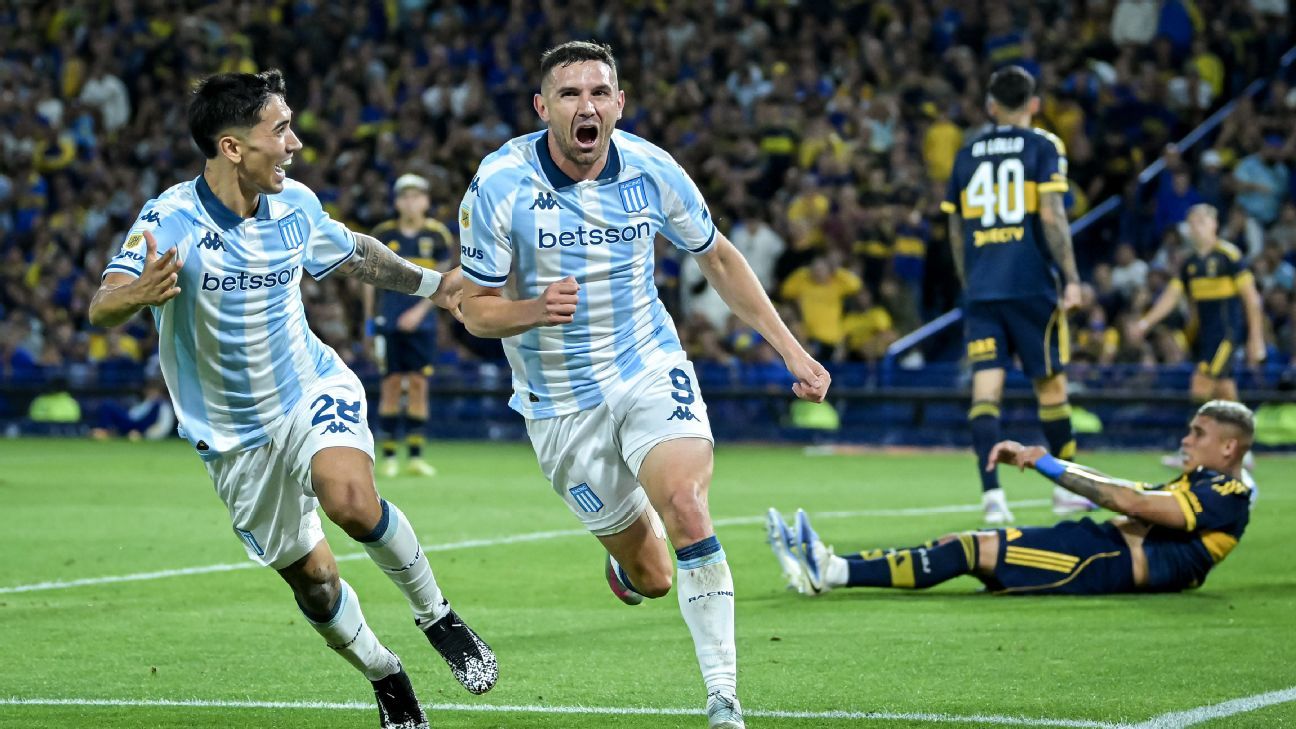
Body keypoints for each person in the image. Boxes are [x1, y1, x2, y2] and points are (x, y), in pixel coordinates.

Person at [87, 70, 495, 729]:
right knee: (317, 583)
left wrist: (433, 285)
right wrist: (136, 294)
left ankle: (438, 616)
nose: (295, 144)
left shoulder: (295, 204)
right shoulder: (170, 219)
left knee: (351, 500)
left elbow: (356, 255)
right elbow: (102, 304)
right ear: (232, 147)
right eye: (280, 130)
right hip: (231, 436)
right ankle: (386, 675)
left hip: (307, 387)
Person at [456, 41, 830, 729]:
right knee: (654, 576)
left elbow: (718, 257)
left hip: (647, 364)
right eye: (570, 94)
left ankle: (723, 697)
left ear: (620, 104)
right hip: (559, 402)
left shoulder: (653, 170)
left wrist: (792, 351)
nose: (587, 105)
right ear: (542, 108)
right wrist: (533, 308)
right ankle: (630, 565)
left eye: (600, 92)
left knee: (687, 504)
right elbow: (474, 309)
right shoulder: (501, 183)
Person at [767, 400, 1254, 597]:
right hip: (1097, 548)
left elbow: (1133, 504)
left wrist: (1047, 465)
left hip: (1103, 564)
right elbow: (1130, 492)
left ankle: (830, 572)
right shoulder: (1198, 485)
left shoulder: (1228, 492)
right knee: (957, 544)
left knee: (968, 548)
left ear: (1230, 447)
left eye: (1199, 433)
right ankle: (827, 567)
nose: (1187, 439)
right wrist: (1046, 459)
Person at [940, 65, 1087, 523]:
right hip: (1031, 283)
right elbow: (1052, 215)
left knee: (985, 392)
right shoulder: (1044, 146)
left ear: (991, 105)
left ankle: (992, 498)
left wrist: (970, 281)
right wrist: (1072, 277)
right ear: (1034, 104)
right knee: (1051, 387)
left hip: (983, 288)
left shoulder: (966, 152)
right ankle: (1065, 490)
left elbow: (955, 228)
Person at [1130, 203, 1266, 417]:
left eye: (1202, 221)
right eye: (1192, 223)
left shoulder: (1228, 256)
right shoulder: (1189, 264)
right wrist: (1146, 322)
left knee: (1200, 383)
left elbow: (1252, 299)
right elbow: (1171, 296)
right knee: (1225, 391)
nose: (1196, 227)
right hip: (1204, 337)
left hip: (1227, 335)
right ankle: (1242, 435)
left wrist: (1256, 339)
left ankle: (1195, 437)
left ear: (1214, 224)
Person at [365, 173, 455, 479]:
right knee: (390, 385)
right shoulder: (383, 234)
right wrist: (369, 321)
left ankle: (416, 456)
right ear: (397, 202)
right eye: (405, 196)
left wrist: (419, 311)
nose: (410, 202)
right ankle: (389, 456)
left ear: (426, 201)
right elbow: (368, 281)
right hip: (388, 320)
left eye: (416, 196)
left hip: (423, 323)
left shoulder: (437, 235)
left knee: (418, 384)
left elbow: (444, 281)